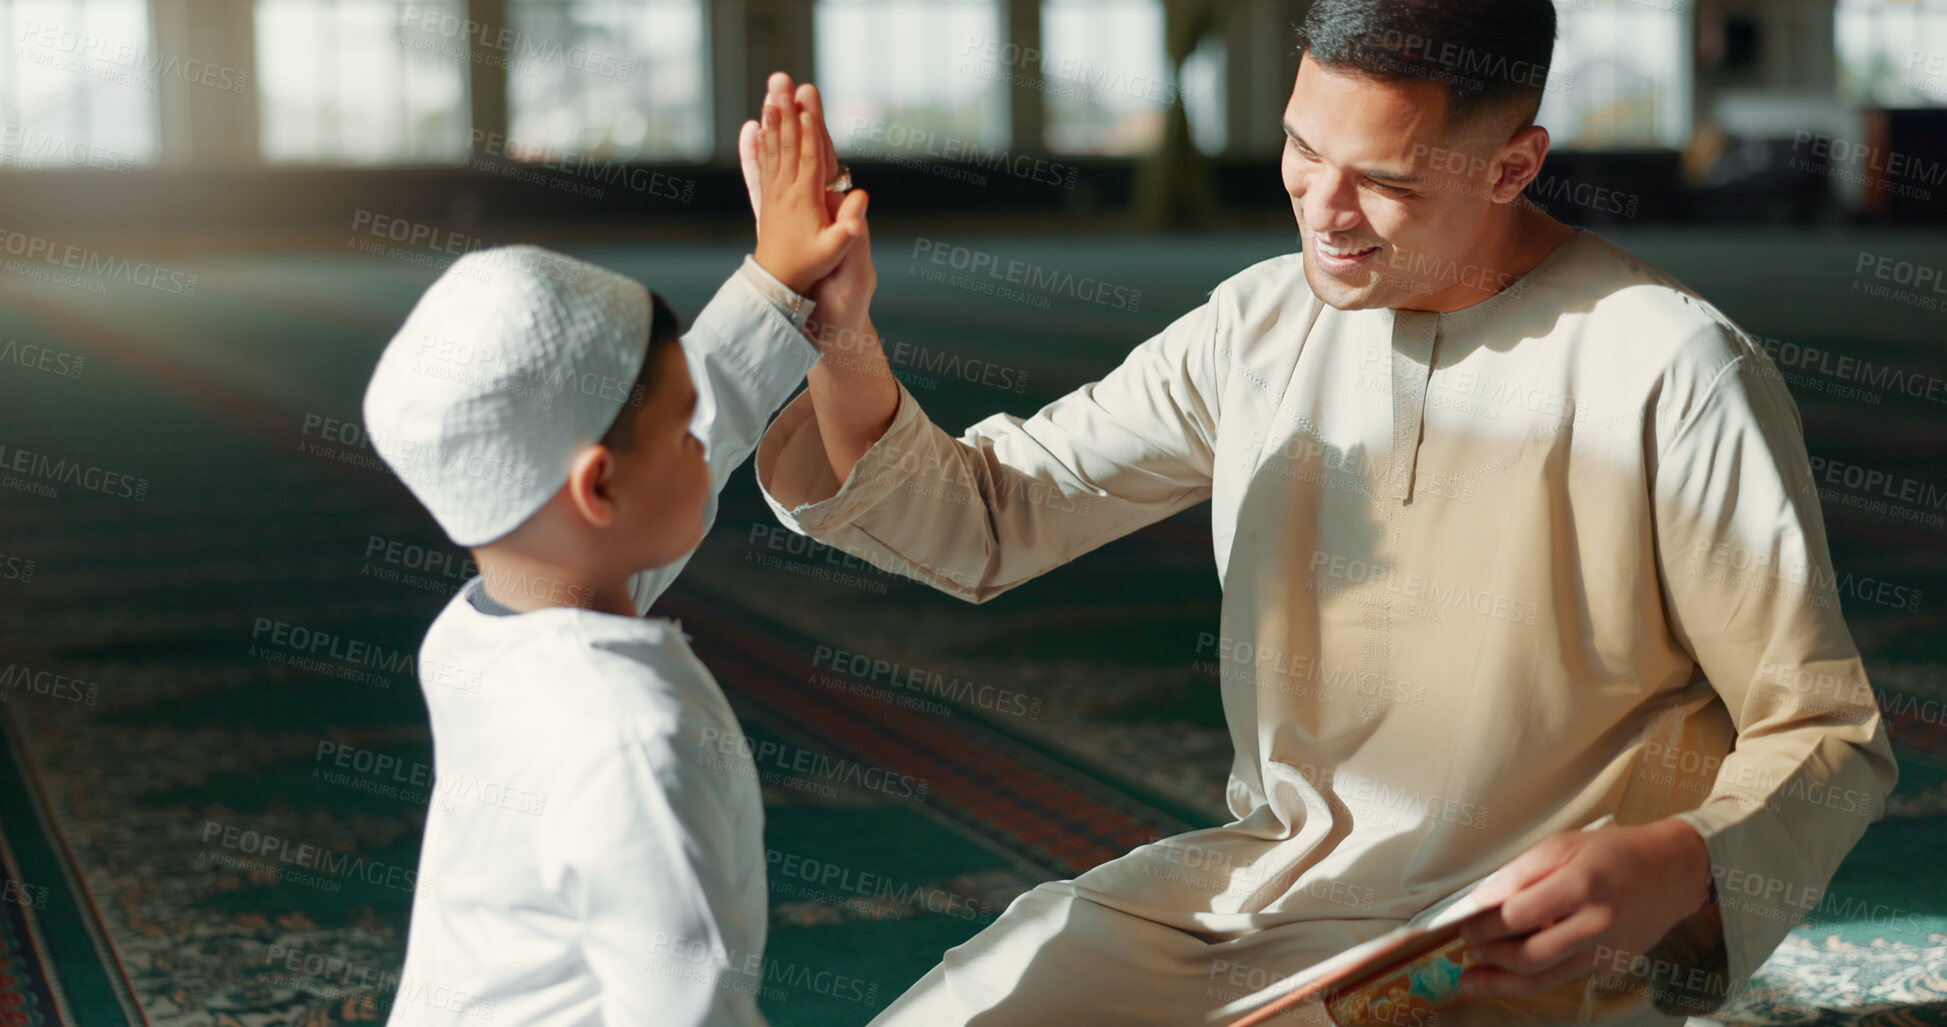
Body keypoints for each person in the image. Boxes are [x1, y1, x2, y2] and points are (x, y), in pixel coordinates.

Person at [743, 2, 1898, 1023]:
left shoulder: (1672, 370)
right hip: (1256, 893)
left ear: (1512, 164)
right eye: (1303, 148)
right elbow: (988, 515)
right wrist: (842, 335)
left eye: (1385, 181)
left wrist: (1673, 864)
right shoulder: (1257, 323)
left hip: (1503, 954)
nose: (1325, 210)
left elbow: (1825, 733)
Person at [363, 77, 867, 1027]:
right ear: (597, 488)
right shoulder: (630, 734)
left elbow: (701, 410)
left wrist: (777, 276)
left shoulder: (494, 623)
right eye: (679, 431)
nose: (701, 441)